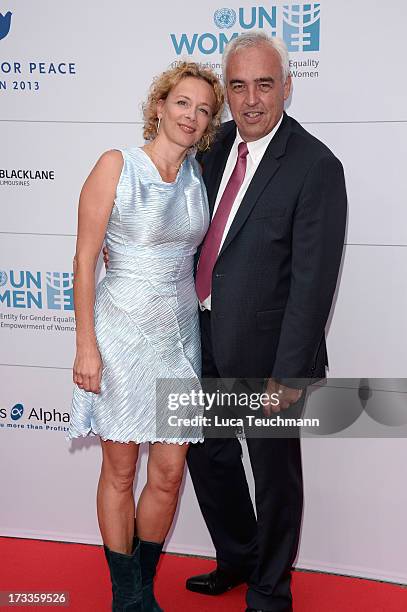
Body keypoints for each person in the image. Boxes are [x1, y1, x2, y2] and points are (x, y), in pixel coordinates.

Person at [185, 33, 347, 612]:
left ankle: (271, 589)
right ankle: (238, 558)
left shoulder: (316, 166)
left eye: (264, 84)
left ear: (287, 87)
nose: (251, 99)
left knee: (275, 475)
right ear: (225, 92)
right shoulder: (212, 143)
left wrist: (287, 375)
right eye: (238, 86)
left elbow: (313, 283)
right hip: (198, 337)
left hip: (270, 352)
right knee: (208, 456)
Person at [67, 62, 224, 611]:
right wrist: (86, 345)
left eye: (204, 109)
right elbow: (85, 260)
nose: (192, 115)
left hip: (179, 336)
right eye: (183, 103)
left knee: (169, 471)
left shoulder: (198, 178)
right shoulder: (117, 165)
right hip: (120, 333)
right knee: (121, 470)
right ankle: (127, 597)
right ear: (160, 105)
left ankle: (142, 588)